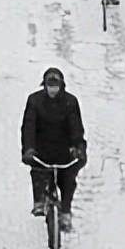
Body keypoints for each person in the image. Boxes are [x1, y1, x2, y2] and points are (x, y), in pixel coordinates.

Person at [21, 67, 87, 227]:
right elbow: (28, 127)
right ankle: (40, 201)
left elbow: (76, 126)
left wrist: (77, 146)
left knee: (68, 180)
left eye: (55, 86)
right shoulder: (34, 101)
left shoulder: (70, 102)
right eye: (50, 86)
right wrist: (29, 148)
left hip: (65, 152)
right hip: (41, 152)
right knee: (39, 173)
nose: (52, 90)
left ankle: (65, 211)